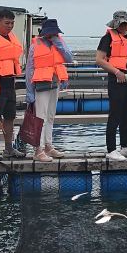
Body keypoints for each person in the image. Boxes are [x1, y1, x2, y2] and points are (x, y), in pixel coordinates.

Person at [95, 11, 127, 161]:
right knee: (115, 114)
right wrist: (116, 72)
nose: (124, 26)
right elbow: (99, 59)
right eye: (121, 24)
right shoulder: (107, 38)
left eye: (125, 23)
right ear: (115, 24)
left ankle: (125, 146)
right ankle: (111, 149)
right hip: (117, 81)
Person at [25, 19, 74, 162]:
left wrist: (58, 44)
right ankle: (38, 150)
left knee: (51, 116)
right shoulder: (36, 45)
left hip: (55, 83)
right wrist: (29, 92)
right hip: (41, 85)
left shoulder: (59, 42)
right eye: (50, 32)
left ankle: (48, 145)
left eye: (55, 32)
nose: (53, 34)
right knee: (41, 117)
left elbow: (69, 58)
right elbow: (29, 69)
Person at [0, 9, 25, 158]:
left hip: (10, 82)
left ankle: (8, 148)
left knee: (10, 116)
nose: (10, 26)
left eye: (12, 23)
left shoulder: (12, 38)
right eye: (7, 23)